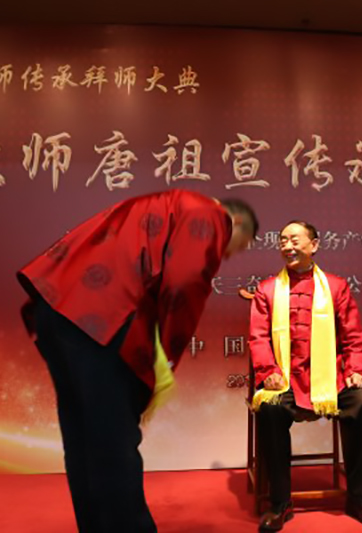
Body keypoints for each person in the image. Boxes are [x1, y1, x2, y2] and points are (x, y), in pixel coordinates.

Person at [17, 189, 258, 533]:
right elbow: (186, 280)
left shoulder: (159, 204)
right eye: (238, 246)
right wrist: (166, 358)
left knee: (84, 435)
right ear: (235, 222)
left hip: (56, 307)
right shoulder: (208, 213)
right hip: (101, 316)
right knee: (113, 439)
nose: (228, 255)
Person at [249, 221, 362, 531]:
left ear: (314, 245)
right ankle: (280, 501)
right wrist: (268, 371)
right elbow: (258, 338)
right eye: (282, 241)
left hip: (330, 378)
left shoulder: (336, 286)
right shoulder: (267, 290)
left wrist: (356, 370)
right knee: (269, 408)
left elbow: (353, 336)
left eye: (294, 240)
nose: (287, 246)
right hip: (285, 378)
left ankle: (360, 497)